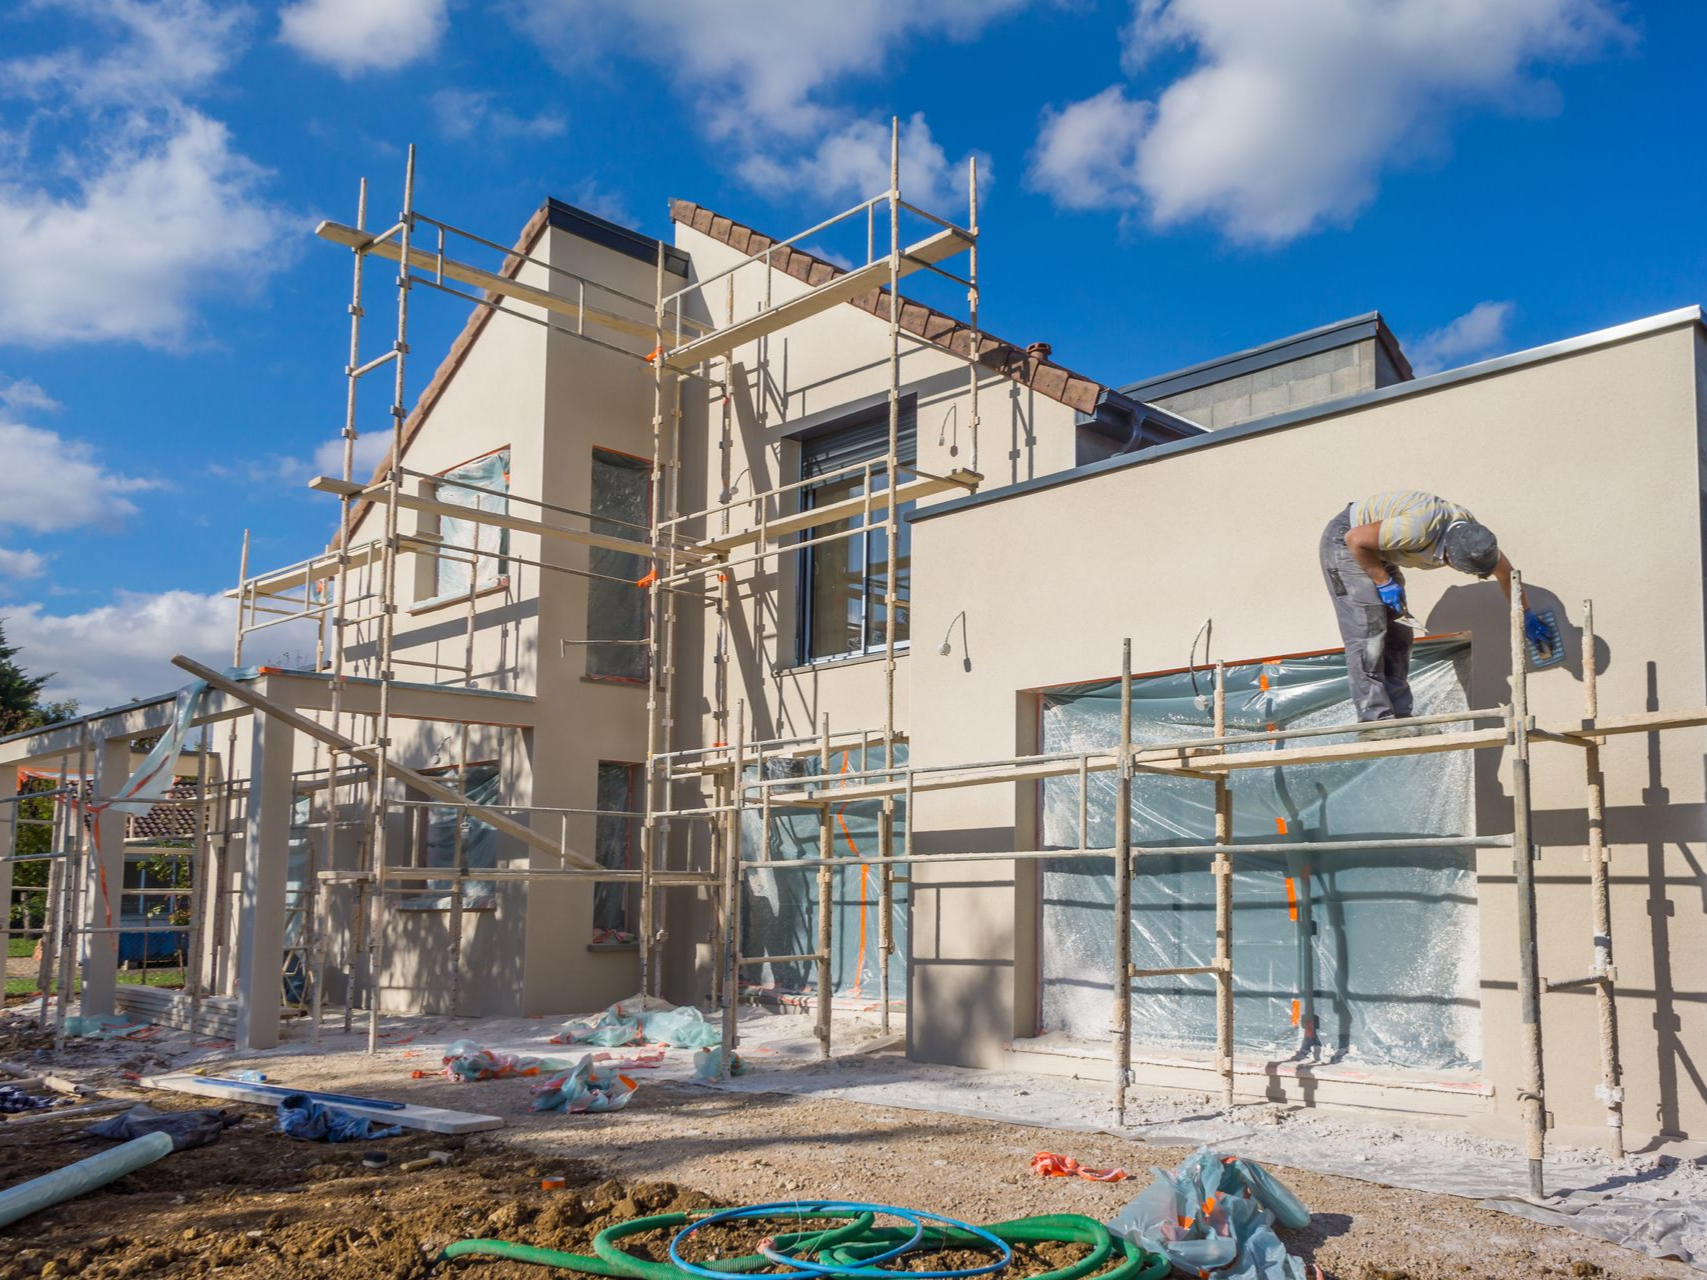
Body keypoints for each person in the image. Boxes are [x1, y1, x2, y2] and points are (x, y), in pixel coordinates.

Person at [1320, 489, 1553, 729]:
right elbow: (1355, 539)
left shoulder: (1476, 540)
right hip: (1346, 542)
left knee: (1399, 633)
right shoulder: (1418, 529)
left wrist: (1525, 614)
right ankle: (1374, 722)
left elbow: (1507, 576)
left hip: (1378, 549)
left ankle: (1400, 719)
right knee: (1369, 628)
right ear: (1450, 556)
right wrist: (1383, 581)